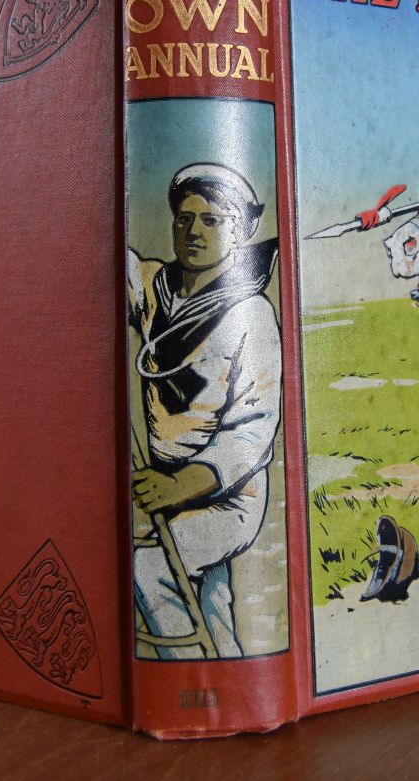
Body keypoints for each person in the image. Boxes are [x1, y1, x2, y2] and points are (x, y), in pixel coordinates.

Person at [126, 163, 281, 658]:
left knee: (153, 569)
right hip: (165, 485)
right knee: (211, 610)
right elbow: (113, 260)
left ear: (241, 230)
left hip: (227, 496)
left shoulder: (251, 315)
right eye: (184, 219)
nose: (193, 232)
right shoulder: (156, 288)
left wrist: (180, 485)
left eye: (212, 220)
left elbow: (251, 433)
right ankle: (226, 673)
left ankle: (184, 673)